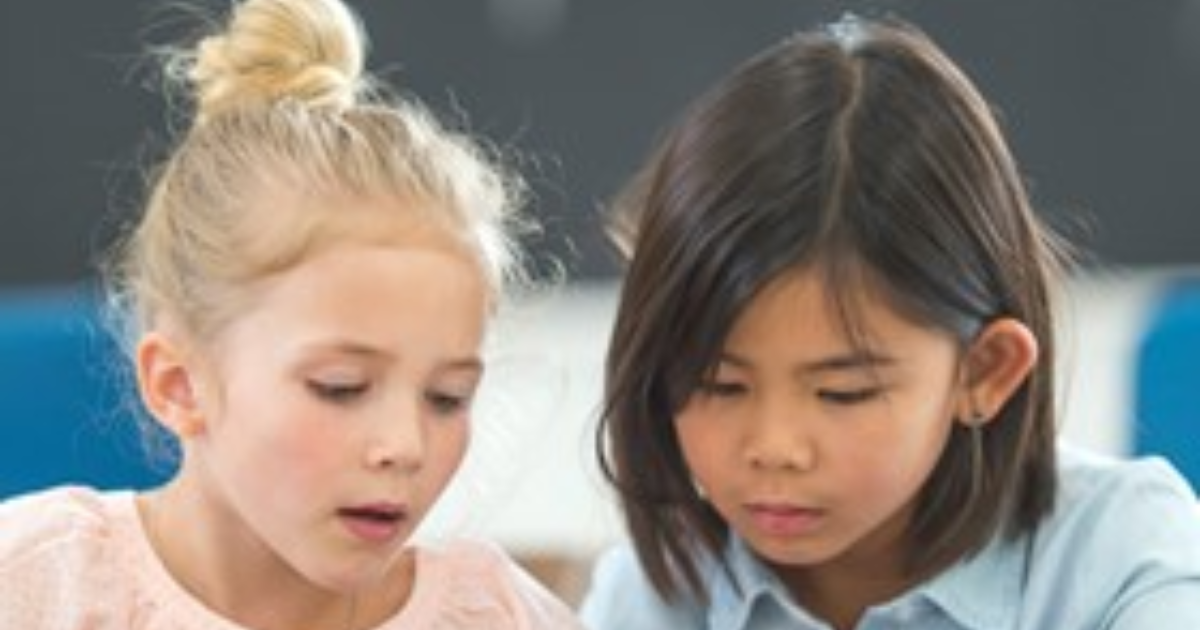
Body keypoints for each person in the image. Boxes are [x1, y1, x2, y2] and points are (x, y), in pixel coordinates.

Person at [581, 14, 1200, 630]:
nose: (775, 447)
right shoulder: (649, 597)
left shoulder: (1126, 553)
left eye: (842, 392)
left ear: (984, 370)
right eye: (719, 384)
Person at [0, 0, 585, 628]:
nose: (405, 446)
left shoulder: (500, 614)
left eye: (447, 398)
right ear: (179, 385)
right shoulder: (38, 579)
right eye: (341, 387)